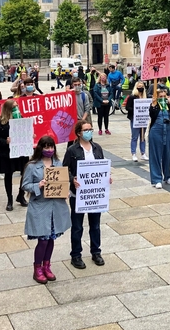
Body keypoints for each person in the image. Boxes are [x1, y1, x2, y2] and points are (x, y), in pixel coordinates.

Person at [22, 136, 72, 284]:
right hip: (40, 206)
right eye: (46, 147)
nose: (49, 150)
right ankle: (37, 268)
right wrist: (38, 185)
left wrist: (65, 191)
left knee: (51, 239)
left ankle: (47, 265)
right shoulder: (32, 166)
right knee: (42, 240)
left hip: (55, 206)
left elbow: (62, 182)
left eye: (51, 147)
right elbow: (25, 185)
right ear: (40, 148)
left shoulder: (58, 163)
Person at [63, 121, 111, 269]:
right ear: (79, 133)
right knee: (77, 226)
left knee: (95, 225)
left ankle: (96, 252)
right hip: (78, 195)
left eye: (91, 129)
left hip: (94, 195)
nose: (89, 132)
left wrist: (107, 177)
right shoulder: (72, 150)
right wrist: (72, 180)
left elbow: (102, 166)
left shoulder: (97, 148)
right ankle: (76, 255)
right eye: (86, 130)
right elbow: (65, 169)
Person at [0, 100, 28, 210]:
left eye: (17, 106)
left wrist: (30, 135)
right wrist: (5, 141)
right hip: (7, 152)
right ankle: (9, 199)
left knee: (25, 173)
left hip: (21, 151)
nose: (16, 109)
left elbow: (26, 132)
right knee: (8, 175)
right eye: (14, 107)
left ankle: (21, 195)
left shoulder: (21, 119)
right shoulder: (0, 122)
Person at [148, 86, 170, 188]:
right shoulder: (155, 105)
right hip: (156, 131)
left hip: (168, 130)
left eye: (164, 96)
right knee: (156, 155)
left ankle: (167, 176)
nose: (163, 98)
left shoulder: (168, 105)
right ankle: (156, 179)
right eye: (161, 96)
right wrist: (153, 103)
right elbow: (152, 114)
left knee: (168, 154)